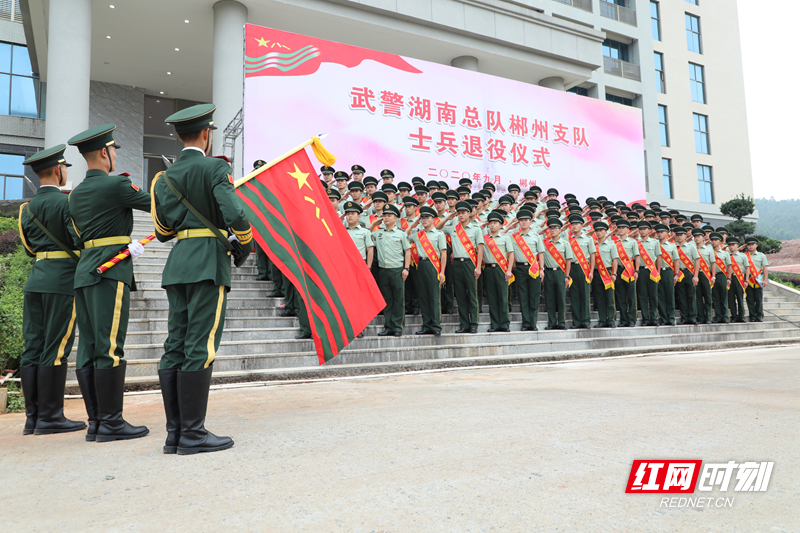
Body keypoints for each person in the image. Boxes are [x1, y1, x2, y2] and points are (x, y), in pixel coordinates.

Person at [151, 103, 254, 454]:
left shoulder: (162, 179)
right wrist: (244, 241)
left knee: (175, 344)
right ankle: (193, 434)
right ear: (207, 134)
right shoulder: (214, 168)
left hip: (178, 263)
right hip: (209, 263)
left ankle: (175, 433)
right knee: (200, 345)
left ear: (180, 137)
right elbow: (236, 213)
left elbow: (163, 230)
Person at [68, 123, 151, 442]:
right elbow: (156, 205)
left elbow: (76, 234)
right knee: (110, 346)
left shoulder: (75, 195)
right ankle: (112, 423)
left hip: (85, 272)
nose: (115, 155)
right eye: (114, 149)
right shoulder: (117, 186)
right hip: (110, 270)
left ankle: (97, 422)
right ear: (104, 152)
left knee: (89, 347)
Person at [17, 145, 86, 436]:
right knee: (56, 348)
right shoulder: (67, 204)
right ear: (59, 170)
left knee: (33, 347)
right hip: (61, 281)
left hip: (36, 280)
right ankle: (50, 416)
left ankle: (32, 417)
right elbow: (78, 239)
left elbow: (30, 247)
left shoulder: (26, 209)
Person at [441, 201, 483, 333]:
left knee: (471, 294)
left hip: (469, 263)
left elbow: (480, 249)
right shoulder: (454, 228)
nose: (461, 215)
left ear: (469, 213)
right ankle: (464, 324)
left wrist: (478, 267)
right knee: (459, 295)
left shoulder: (476, 229)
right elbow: (437, 228)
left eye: (463, 213)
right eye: (459, 213)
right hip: (456, 264)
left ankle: (474, 324)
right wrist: (448, 218)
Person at [373, 204, 411, 336]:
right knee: (387, 300)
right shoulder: (378, 233)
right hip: (383, 270)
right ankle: (388, 326)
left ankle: (398, 327)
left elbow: (407, 251)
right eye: (385, 215)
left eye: (389, 215)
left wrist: (406, 268)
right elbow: (367, 234)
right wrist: (376, 223)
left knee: (398, 300)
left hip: (397, 270)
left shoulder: (401, 233)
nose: (386, 218)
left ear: (396, 218)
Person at [409, 206, 447, 336]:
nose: (424, 220)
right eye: (422, 218)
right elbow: (404, 236)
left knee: (434, 296)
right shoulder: (418, 234)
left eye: (427, 218)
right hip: (422, 265)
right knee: (424, 297)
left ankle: (436, 325)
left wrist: (442, 272)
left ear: (433, 219)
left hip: (433, 266)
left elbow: (443, 253)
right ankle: (426, 325)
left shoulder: (439, 234)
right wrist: (413, 224)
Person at [508, 207, 544, 331]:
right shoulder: (513, 237)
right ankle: (526, 323)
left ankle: (533, 323)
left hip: (533, 268)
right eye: (521, 220)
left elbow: (541, 253)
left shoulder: (536, 236)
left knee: (534, 296)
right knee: (523, 296)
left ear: (530, 222)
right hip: (520, 268)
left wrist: (541, 269)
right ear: (518, 222)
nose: (523, 222)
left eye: (526, 220)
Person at [482, 211, 514, 332]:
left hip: (501, 269)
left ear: (501, 225)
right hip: (489, 269)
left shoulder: (505, 237)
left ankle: (504, 324)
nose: (492, 225)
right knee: (492, 297)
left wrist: (509, 270)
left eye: (495, 223)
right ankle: (494, 324)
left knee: (502, 297)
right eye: (490, 223)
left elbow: (511, 254)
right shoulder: (484, 238)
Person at [541, 217, 573, 330]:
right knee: (549, 298)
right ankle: (552, 322)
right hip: (548, 272)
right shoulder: (545, 243)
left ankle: (562, 322)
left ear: (560, 230)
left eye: (555, 228)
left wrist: (567, 276)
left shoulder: (565, 244)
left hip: (560, 273)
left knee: (561, 298)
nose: (553, 230)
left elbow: (568, 260)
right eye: (551, 228)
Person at [566, 214, 595, 329]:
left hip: (584, 268)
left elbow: (592, 256)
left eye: (577, 224)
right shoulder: (569, 240)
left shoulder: (588, 239)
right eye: (572, 224)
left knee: (585, 295)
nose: (574, 226)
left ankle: (585, 321)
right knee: (574, 295)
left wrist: (591, 271)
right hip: (572, 268)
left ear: (582, 225)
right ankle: (576, 321)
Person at [591, 221, 619, 328]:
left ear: (605, 232)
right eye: (597, 231)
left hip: (607, 272)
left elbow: (615, 260)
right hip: (597, 273)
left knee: (610, 297)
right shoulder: (593, 245)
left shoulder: (611, 245)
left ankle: (611, 320)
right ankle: (602, 320)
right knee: (600, 298)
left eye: (601, 230)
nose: (598, 233)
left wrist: (614, 273)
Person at [613, 220, 640, 327]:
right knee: (621, 296)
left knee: (632, 296)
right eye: (619, 228)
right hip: (619, 270)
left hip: (629, 270)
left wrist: (637, 270)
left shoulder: (632, 242)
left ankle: (632, 319)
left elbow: (637, 257)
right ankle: (624, 320)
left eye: (623, 228)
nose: (621, 230)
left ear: (627, 229)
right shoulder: (615, 243)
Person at [636, 221, 661, 326]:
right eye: (640, 229)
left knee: (653, 295)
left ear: (649, 230)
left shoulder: (655, 242)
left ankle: (654, 318)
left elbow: (658, 257)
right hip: (641, 270)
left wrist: (658, 272)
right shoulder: (636, 243)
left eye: (645, 229)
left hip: (652, 271)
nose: (642, 231)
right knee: (642, 295)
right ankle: (645, 318)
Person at [673, 227, 700, 325]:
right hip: (679, 272)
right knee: (682, 295)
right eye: (678, 235)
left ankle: (692, 317)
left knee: (691, 295)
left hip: (689, 272)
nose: (679, 237)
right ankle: (684, 317)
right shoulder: (674, 247)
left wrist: (695, 276)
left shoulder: (691, 246)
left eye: (681, 235)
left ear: (685, 236)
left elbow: (697, 260)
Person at [655, 224, 679, 326]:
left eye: (662, 232)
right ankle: (663, 318)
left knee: (670, 295)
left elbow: (676, 261)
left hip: (669, 271)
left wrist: (676, 274)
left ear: (667, 233)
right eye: (658, 232)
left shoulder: (672, 246)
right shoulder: (655, 244)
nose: (660, 234)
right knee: (660, 296)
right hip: (657, 271)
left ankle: (671, 318)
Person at [693, 228, 716, 324]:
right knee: (697, 296)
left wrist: (713, 276)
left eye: (698, 236)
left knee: (708, 296)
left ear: (703, 238)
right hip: (695, 274)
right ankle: (701, 316)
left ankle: (709, 317)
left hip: (706, 274)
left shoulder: (709, 249)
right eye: (695, 237)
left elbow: (713, 264)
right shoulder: (692, 248)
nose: (696, 238)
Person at [744, 236, 769, 322]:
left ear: (756, 245)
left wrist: (765, 280)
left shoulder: (761, 255)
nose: (751, 246)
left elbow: (765, 268)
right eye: (749, 245)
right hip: (748, 280)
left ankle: (759, 315)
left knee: (758, 299)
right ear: (746, 246)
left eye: (752, 244)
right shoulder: (744, 256)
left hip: (758, 280)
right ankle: (752, 316)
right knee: (749, 299)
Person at [727, 237, 750, 323]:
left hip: (739, 278)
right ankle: (734, 316)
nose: (731, 247)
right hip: (730, 278)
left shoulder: (742, 256)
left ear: (737, 245)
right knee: (731, 298)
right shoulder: (726, 255)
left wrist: (746, 280)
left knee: (740, 298)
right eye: (729, 245)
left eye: (733, 245)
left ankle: (741, 316)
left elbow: (747, 268)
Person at [709, 232, 731, 323]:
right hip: (712, 276)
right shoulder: (709, 252)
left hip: (722, 275)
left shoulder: (725, 254)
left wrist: (729, 278)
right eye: (712, 240)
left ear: (720, 241)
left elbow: (729, 266)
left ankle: (725, 316)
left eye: (716, 240)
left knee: (723, 296)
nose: (714, 242)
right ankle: (718, 316)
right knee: (715, 297)